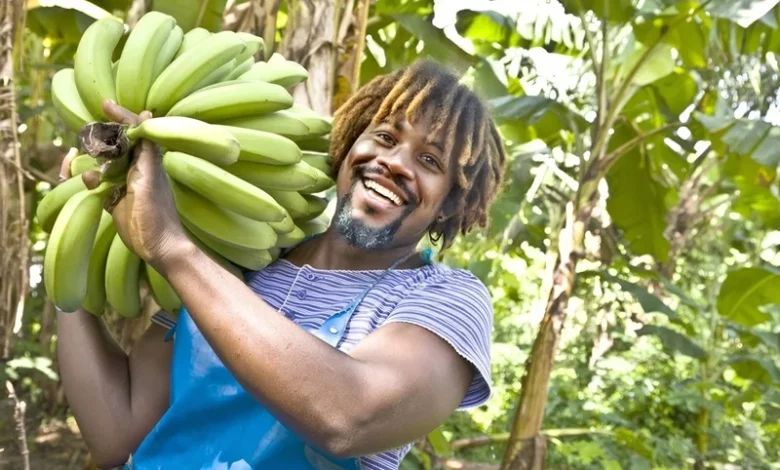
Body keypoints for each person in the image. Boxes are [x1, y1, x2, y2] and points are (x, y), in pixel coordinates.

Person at [56, 59, 507, 470]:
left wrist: (172, 247)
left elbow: (347, 417)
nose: (393, 163)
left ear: (451, 204)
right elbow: (117, 432)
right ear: (350, 146)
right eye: (385, 137)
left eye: (428, 160)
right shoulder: (239, 259)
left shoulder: (444, 299)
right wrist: (68, 241)